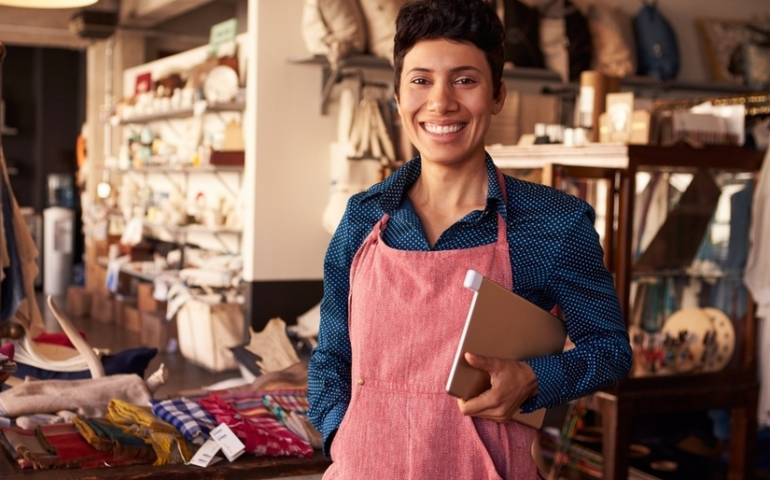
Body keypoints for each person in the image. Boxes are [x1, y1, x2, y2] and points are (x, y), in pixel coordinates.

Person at [308, 0, 633, 478]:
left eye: (465, 80)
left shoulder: (554, 223)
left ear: (497, 94)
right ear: (398, 97)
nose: (441, 102)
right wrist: (345, 436)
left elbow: (610, 351)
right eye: (420, 80)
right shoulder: (362, 219)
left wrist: (533, 379)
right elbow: (331, 357)